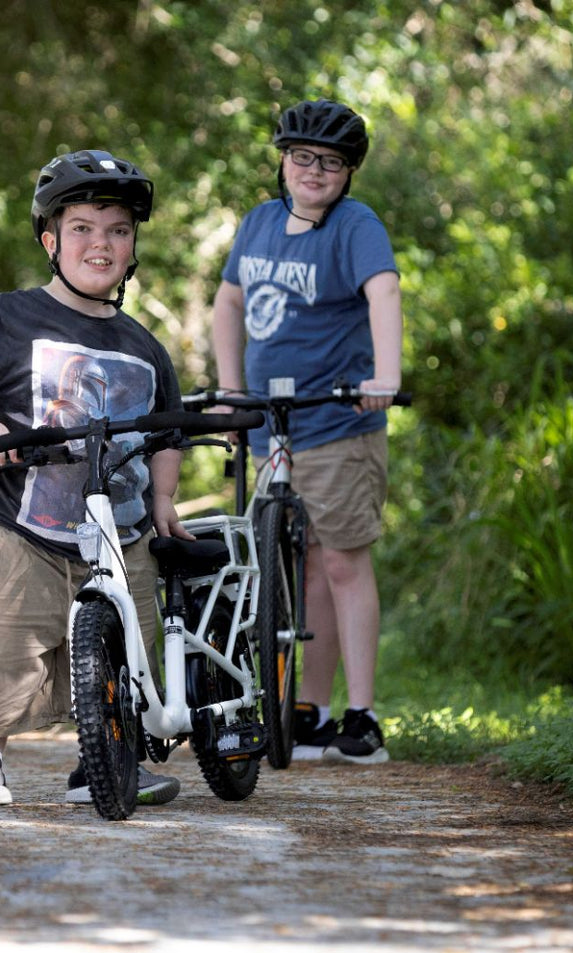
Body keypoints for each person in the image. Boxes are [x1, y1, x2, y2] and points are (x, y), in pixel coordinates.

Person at [0, 149, 190, 808]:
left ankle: (103, 758)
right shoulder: (0, 318)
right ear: (51, 239)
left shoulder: (144, 344)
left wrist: (163, 498)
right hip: (15, 524)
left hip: (115, 529)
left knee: (129, 646)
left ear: (132, 250)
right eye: (83, 228)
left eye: (118, 231)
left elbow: (169, 427)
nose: (101, 243)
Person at [212, 99, 403, 764]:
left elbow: (383, 292)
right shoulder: (261, 222)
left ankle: (362, 715)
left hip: (336, 422)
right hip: (272, 427)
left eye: (330, 162)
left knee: (344, 561)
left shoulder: (355, 225)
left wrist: (386, 375)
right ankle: (311, 711)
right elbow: (230, 302)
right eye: (302, 158)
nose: (314, 171)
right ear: (283, 162)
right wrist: (233, 391)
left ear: (349, 172)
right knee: (302, 569)